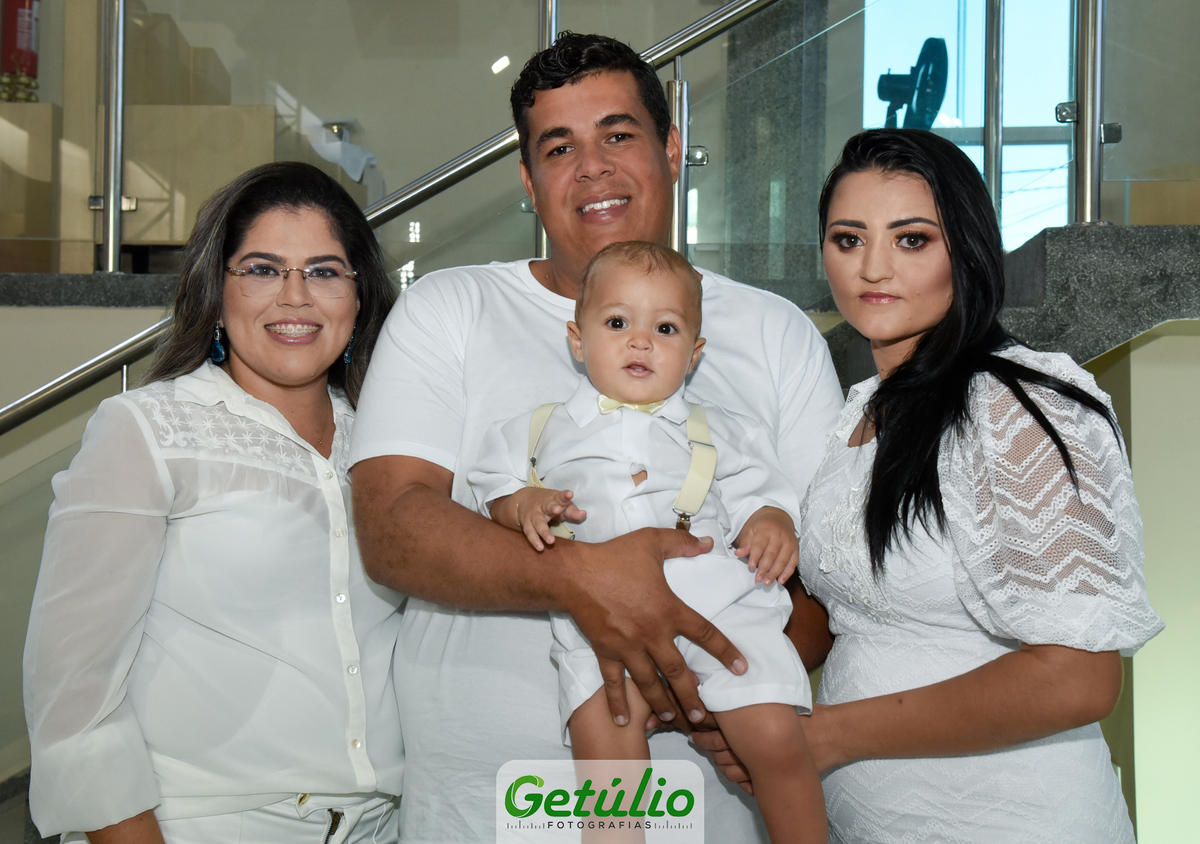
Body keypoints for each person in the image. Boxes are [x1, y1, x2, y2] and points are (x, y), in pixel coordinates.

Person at [350, 33, 844, 843]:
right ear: (528, 180)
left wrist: (723, 691)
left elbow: (826, 576)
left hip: (713, 800)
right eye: (559, 148)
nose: (591, 168)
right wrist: (590, 581)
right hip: (477, 808)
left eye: (617, 135)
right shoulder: (449, 308)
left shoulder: (775, 332)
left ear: (672, 148)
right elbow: (392, 529)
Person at [773, 129, 1162, 841]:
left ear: (968, 249)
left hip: (1012, 820)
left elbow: (1077, 678)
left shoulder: (1020, 406)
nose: (874, 267)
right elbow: (843, 611)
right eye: (848, 239)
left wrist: (829, 734)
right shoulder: (861, 412)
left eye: (912, 239)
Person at [23, 162, 401, 844]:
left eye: (323, 271)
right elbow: (72, 689)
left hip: (389, 825)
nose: (295, 297)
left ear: (359, 294)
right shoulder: (147, 430)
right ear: (217, 291)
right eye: (262, 269)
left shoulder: (392, 446)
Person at [469, 241, 826, 844]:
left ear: (694, 353)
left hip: (722, 611)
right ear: (577, 340)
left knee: (774, 737)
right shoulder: (539, 429)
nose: (640, 342)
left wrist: (771, 521)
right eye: (617, 323)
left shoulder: (726, 430)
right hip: (600, 625)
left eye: (665, 328)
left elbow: (764, 495)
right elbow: (492, 488)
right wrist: (522, 504)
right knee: (606, 754)